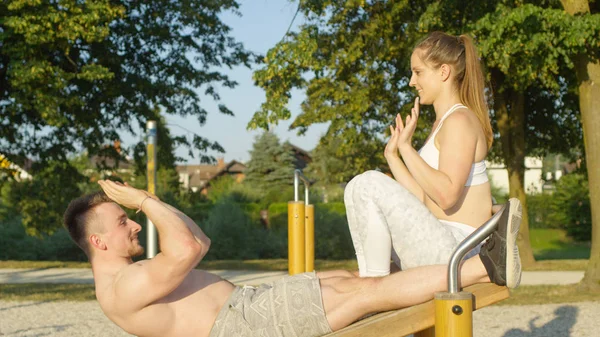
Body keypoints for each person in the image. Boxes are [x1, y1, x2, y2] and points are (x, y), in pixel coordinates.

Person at [63, 179, 521, 337]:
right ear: (99, 242)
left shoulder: (127, 279)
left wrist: (149, 203)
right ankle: (486, 263)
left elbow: (197, 241)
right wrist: (144, 199)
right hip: (243, 324)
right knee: (366, 292)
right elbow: (187, 248)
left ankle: (467, 260)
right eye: (122, 222)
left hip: (248, 309)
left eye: (130, 217)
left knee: (353, 279)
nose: (134, 224)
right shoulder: (122, 287)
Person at [344, 31, 521, 282]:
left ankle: (375, 287)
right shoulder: (443, 123)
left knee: (367, 184)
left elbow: (447, 195)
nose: (411, 82)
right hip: (442, 240)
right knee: (355, 186)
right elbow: (424, 199)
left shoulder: (459, 120)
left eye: (418, 72)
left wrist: (408, 149)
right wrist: (393, 155)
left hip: (457, 250)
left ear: (444, 72)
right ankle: (373, 281)